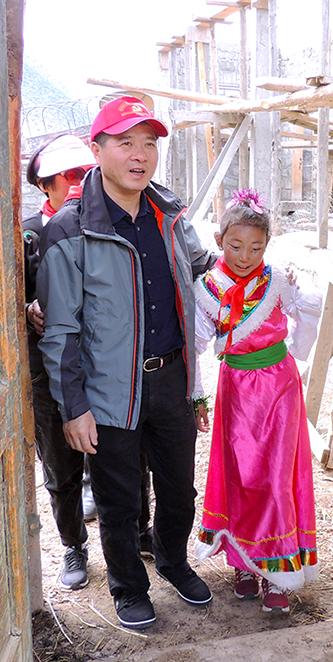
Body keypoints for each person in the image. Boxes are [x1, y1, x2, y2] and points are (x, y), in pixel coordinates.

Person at [36, 96, 215, 629]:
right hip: (110, 388)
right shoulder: (69, 230)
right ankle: (128, 588)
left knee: (179, 489)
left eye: (149, 143)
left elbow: (202, 269)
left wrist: (259, 274)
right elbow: (61, 331)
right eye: (126, 142)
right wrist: (74, 408)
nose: (140, 155)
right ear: (97, 150)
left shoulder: (169, 214)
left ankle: (173, 560)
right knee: (118, 500)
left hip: (172, 378)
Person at [192, 189, 323, 614]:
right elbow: (194, 344)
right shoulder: (207, 289)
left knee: (276, 476)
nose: (245, 256)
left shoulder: (278, 281)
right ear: (219, 240)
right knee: (241, 474)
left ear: (268, 245)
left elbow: (306, 316)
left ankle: (276, 571)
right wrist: (196, 394)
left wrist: (300, 341)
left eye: (256, 248)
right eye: (235, 246)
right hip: (236, 392)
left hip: (280, 390)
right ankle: (243, 562)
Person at [22, 134, 95, 591]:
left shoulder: (108, 221)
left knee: (128, 456)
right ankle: (73, 543)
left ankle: (138, 531)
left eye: (86, 173)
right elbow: (4, 294)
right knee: (59, 462)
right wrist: (26, 307)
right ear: (45, 184)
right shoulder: (26, 234)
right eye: (69, 175)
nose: (79, 181)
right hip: (49, 368)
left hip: (103, 363)